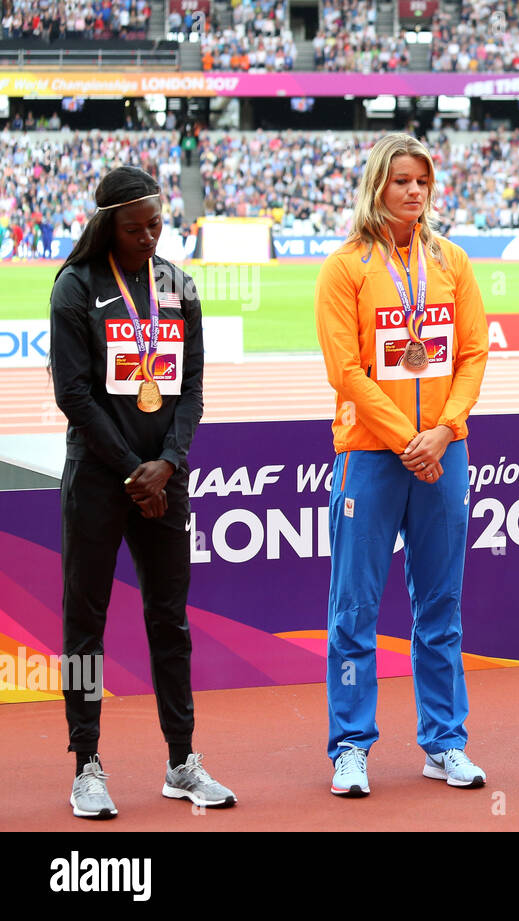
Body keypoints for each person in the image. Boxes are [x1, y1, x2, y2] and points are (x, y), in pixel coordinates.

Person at [49, 166, 236, 818]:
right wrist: (134, 468)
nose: (151, 238)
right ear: (108, 226)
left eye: (157, 225)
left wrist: (170, 462)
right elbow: (73, 393)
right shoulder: (76, 288)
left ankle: (182, 759)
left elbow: (192, 389)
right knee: (84, 630)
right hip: (101, 480)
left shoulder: (179, 288)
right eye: (136, 229)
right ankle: (86, 763)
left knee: (170, 621)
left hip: (165, 479)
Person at [315, 133, 489, 796]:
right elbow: (345, 370)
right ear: (376, 187)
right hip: (372, 455)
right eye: (400, 181)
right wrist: (405, 437)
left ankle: (444, 741)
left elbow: (473, 353)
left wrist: (443, 430)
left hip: (443, 452)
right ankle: (351, 745)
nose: (413, 191)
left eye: (421, 181)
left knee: (441, 606)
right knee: (355, 607)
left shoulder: (451, 261)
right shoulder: (347, 266)